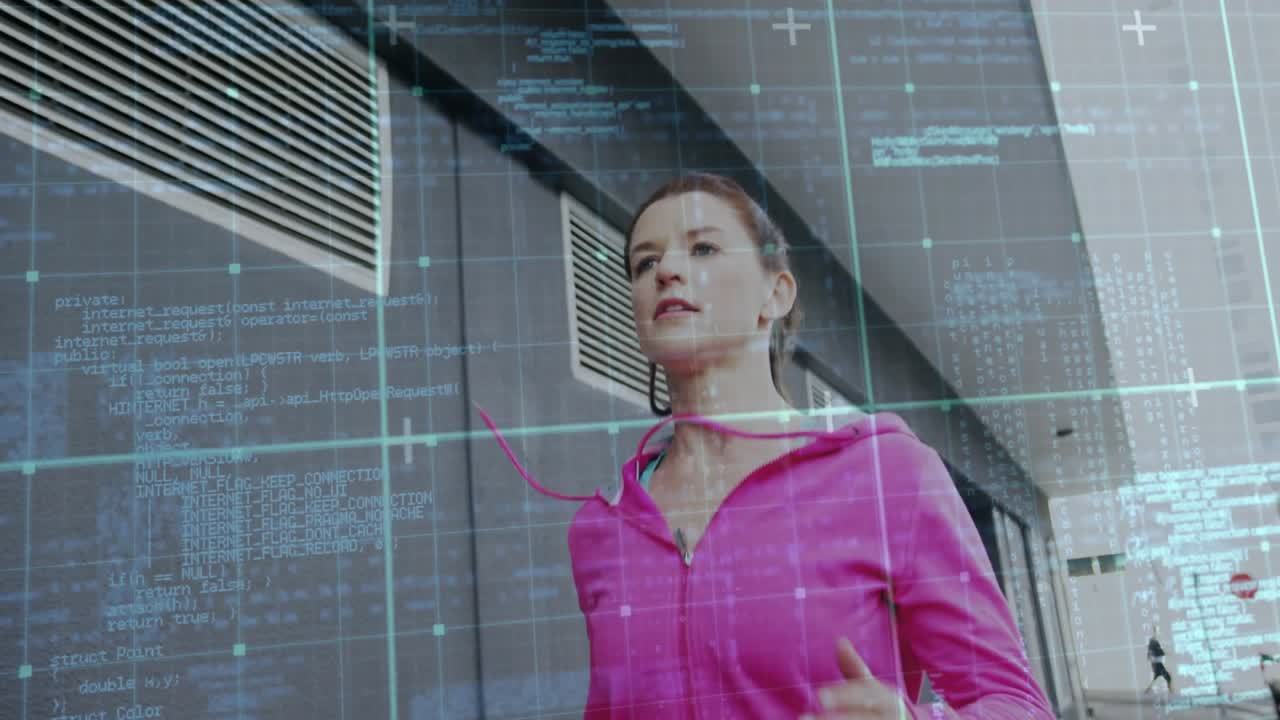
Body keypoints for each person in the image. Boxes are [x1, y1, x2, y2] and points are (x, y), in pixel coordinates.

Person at [477, 172, 1054, 718]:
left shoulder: (887, 476)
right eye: (645, 262)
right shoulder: (600, 529)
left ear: (775, 293)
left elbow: (1018, 704)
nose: (666, 271)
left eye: (703, 249)